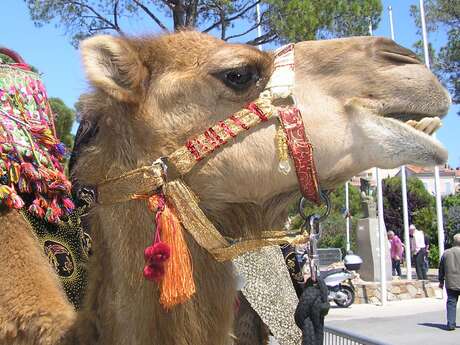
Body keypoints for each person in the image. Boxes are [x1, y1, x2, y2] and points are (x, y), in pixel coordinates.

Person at [438, 233, 460, 331]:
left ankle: (451, 324)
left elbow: (441, 268)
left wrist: (441, 281)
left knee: (451, 302)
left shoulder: (446, 253)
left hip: (451, 282)